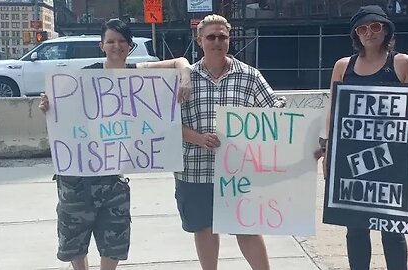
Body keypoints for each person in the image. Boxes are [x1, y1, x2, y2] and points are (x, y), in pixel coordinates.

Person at [39, 19, 192, 270]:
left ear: (130, 46)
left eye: (122, 41)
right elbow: (58, 103)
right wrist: (48, 104)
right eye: (110, 41)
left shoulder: (137, 73)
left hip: (112, 175)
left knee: (115, 238)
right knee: (74, 239)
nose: (116, 46)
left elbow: (180, 63)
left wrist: (184, 79)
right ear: (101, 45)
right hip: (79, 173)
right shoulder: (86, 75)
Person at [317, 5, 408, 270]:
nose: (369, 32)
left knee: (392, 229)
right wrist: (329, 153)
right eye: (363, 28)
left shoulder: (402, 63)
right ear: (356, 34)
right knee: (355, 230)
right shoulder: (343, 67)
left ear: (386, 29)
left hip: (392, 161)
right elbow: (334, 112)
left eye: (375, 26)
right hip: (352, 159)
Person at [174, 14, 284, 270]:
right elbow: (167, 123)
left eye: (222, 36)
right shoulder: (184, 78)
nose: (217, 41)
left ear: (229, 39)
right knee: (203, 229)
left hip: (239, 171)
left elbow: (276, 110)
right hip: (195, 169)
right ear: (199, 40)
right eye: (211, 37)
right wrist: (198, 138)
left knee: (247, 228)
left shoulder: (249, 76)